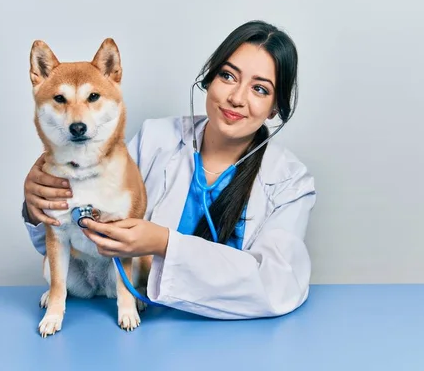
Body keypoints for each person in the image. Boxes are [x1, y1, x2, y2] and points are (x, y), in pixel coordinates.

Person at [21, 20, 317, 320]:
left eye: (259, 89)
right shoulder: (154, 139)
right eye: (228, 76)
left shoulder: (290, 181)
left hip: (247, 336)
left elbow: (279, 286)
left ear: (275, 108)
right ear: (209, 78)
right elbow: (75, 238)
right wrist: (36, 206)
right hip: (150, 327)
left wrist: (163, 243)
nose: (237, 98)